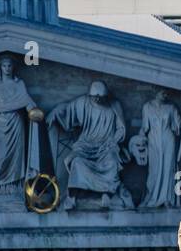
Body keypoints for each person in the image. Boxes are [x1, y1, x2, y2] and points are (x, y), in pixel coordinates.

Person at [46, 81, 132, 210]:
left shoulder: (114, 106)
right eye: (94, 96)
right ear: (90, 95)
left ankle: (106, 194)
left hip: (107, 146)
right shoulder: (83, 103)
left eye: (100, 97)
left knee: (112, 162)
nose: (97, 99)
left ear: (106, 96)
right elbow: (68, 109)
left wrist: (113, 141)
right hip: (86, 145)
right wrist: (56, 112)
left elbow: (121, 128)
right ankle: (72, 197)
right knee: (77, 162)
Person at [0, 57, 44, 197]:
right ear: (0, 67)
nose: (7, 68)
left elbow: (27, 101)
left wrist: (34, 111)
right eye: (4, 66)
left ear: (13, 67)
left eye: (9, 66)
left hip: (16, 122)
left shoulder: (19, 84)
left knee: (16, 157)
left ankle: (14, 186)